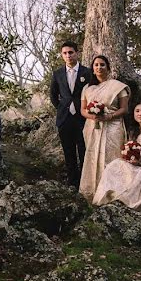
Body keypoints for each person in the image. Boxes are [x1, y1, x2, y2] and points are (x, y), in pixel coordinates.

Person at [93, 102, 141, 216]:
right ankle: (108, 198)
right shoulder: (135, 132)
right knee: (115, 165)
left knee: (139, 178)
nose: (140, 114)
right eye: (137, 111)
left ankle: (129, 206)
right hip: (138, 163)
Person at [78, 55, 129, 202]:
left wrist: (109, 116)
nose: (99, 68)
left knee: (112, 158)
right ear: (92, 69)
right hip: (93, 127)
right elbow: (82, 110)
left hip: (113, 126)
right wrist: (93, 116)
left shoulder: (118, 86)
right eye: (96, 65)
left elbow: (124, 109)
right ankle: (92, 193)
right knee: (93, 157)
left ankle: (112, 194)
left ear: (108, 67)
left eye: (102, 65)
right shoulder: (87, 89)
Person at [49, 40, 92, 189]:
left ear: (77, 53)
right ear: (62, 55)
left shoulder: (87, 72)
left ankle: (85, 182)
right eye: (65, 53)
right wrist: (62, 108)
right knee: (68, 151)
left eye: (71, 52)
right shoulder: (58, 74)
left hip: (83, 118)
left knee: (84, 150)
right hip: (65, 118)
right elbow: (53, 95)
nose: (68, 55)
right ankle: (72, 182)